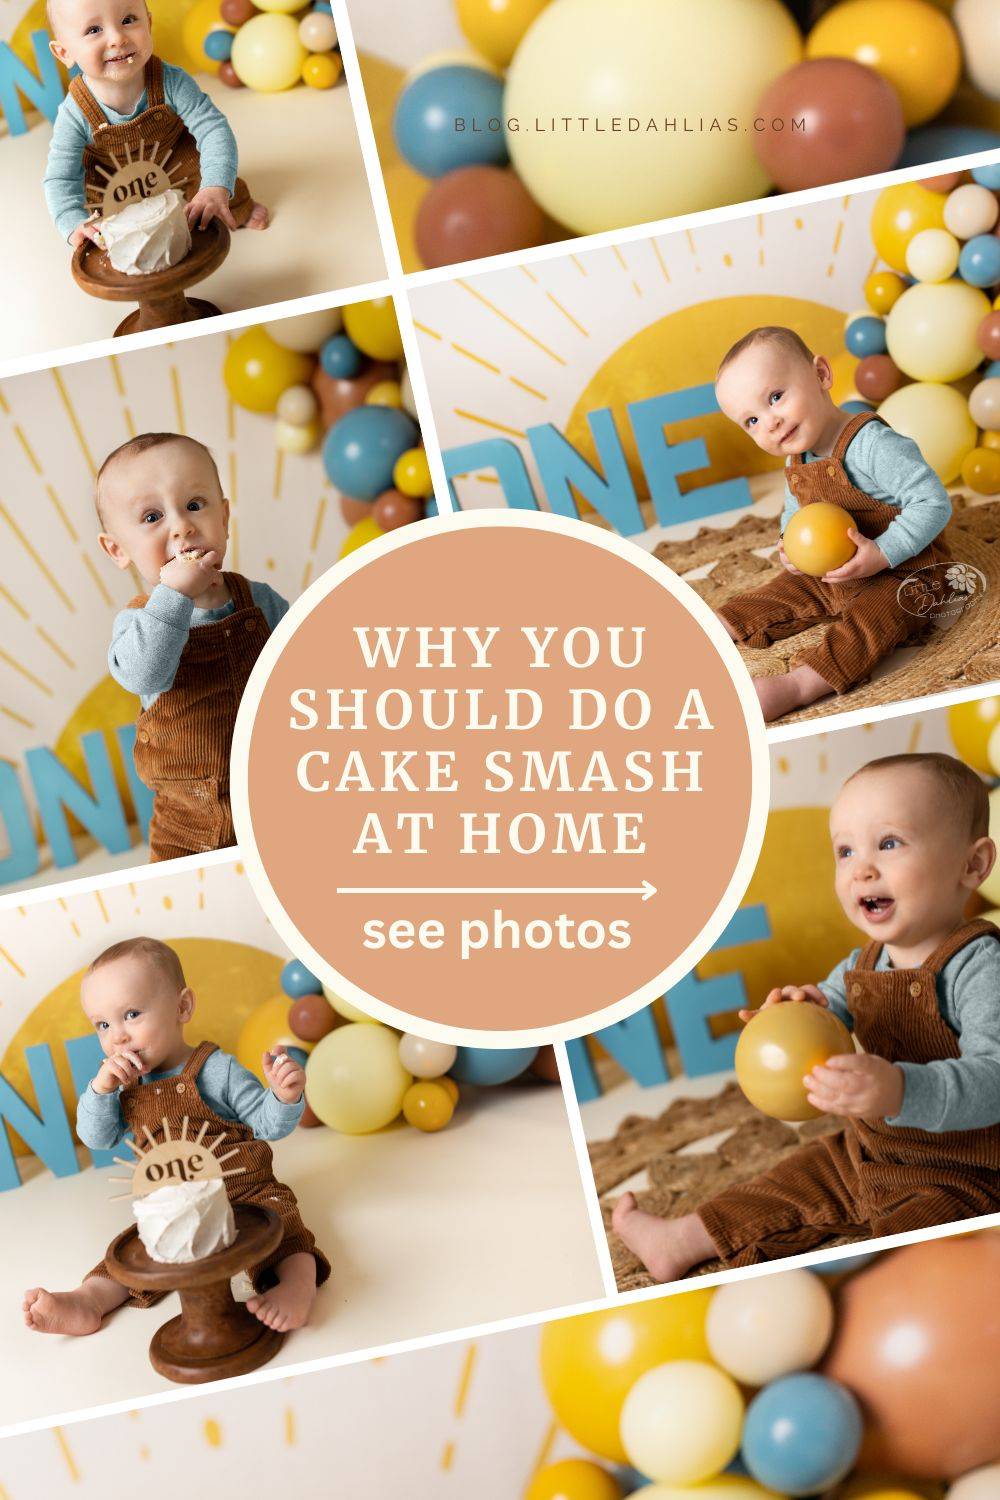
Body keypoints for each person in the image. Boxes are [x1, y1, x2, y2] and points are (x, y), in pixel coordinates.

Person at [613, 753, 1000, 1280]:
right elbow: (828, 1009)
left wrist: (900, 1090)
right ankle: (681, 1239)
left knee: (908, 1255)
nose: (862, 867)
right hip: (870, 1149)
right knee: (788, 1183)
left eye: (889, 843)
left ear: (972, 865)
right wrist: (796, 1014)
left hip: (969, 1170)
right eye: (845, 850)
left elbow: (994, 1077)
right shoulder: (861, 963)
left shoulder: (980, 968)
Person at [24, 936, 329, 1335]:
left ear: (182, 1007)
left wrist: (283, 1096)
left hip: (244, 1191)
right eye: (103, 1024)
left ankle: (295, 1286)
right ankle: (89, 1300)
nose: (117, 1036)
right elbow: (96, 1137)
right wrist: (101, 1091)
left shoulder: (215, 1069)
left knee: (284, 1225)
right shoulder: (121, 1086)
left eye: (131, 1014)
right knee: (128, 1253)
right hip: (172, 1206)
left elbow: (266, 1124)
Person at [714, 326, 952, 722]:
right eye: (752, 420)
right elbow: (796, 511)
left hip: (910, 570)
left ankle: (802, 683)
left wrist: (882, 553)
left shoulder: (873, 445)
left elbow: (932, 501)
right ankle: (720, 624)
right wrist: (790, 544)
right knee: (782, 590)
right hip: (838, 568)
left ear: (822, 375)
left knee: (872, 621)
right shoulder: (798, 457)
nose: (770, 423)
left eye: (776, 398)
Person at [97, 431, 287, 860]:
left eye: (194, 506)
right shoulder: (137, 623)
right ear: (117, 549)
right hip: (187, 827)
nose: (181, 525)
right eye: (151, 517)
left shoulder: (260, 600)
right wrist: (174, 596)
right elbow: (146, 674)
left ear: (224, 519)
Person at [44, 0, 268, 247]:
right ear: (64, 52)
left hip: (176, 162)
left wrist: (215, 186)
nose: (117, 38)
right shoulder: (74, 114)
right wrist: (74, 223)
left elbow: (213, 129)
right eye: (94, 30)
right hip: (115, 185)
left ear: (148, 24)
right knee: (107, 234)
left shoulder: (172, 82)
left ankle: (233, 204)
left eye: (128, 20)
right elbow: (60, 178)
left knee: (223, 191)